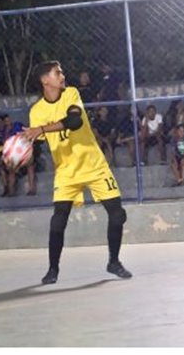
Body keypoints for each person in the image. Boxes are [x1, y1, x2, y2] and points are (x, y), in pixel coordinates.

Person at [19, 60, 131, 284]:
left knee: (117, 214)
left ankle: (114, 262)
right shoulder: (37, 111)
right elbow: (36, 145)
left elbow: (74, 121)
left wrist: (40, 129)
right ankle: (53, 270)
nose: (62, 75)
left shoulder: (71, 93)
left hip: (94, 165)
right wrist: (22, 154)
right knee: (58, 222)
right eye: (57, 73)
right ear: (45, 80)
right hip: (66, 171)